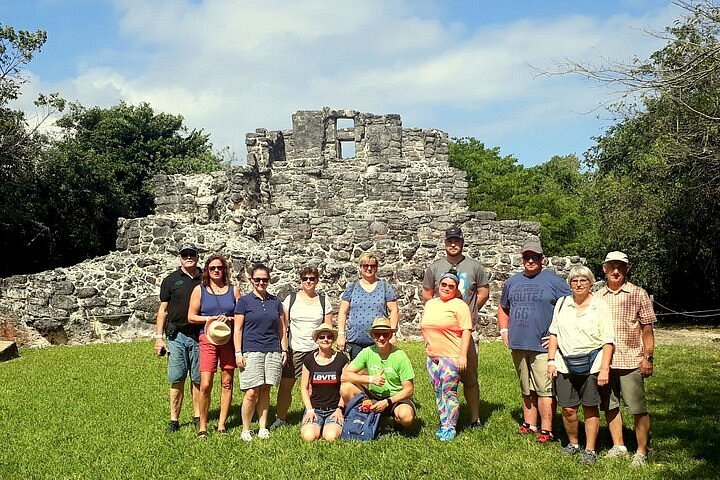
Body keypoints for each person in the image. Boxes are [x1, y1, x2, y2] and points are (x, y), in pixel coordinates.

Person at [497, 239, 572, 442]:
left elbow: (571, 307)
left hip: (542, 346)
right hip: (519, 343)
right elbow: (503, 307)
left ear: (542, 259)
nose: (530, 260)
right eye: (526, 257)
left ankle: (546, 429)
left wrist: (559, 335)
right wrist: (504, 329)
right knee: (526, 387)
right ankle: (529, 424)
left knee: (545, 389)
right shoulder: (512, 282)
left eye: (535, 257)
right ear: (522, 259)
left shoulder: (554, 282)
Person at [422, 226, 489, 429]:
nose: (453, 244)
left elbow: (484, 292)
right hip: (441, 334)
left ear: (462, 243)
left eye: (457, 241)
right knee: (442, 379)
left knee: (469, 375)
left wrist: (465, 313)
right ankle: (447, 417)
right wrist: (443, 312)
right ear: (445, 243)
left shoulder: (474, 267)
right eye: (450, 241)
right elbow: (427, 294)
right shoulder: (434, 268)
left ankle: (474, 417)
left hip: (465, 330)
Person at [547, 265, 615, 464]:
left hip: (592, 363)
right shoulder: (562, 304)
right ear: (570, 284)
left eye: (583, 280)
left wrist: (604, 368)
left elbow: (608, 340)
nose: (578, 284)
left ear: (591, 283)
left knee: (590, 407)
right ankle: (573, 444)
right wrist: (551, 361)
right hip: (565, 364)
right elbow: (554, 334)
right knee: (568, 409)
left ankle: (590, 449)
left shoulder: (600, 306)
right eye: (574, 281)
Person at [599, 251, 656, 467]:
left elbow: (647, 329)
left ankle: (641, 450)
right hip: (605, 362)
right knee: (610, 404)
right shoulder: (597, 296)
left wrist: (648, 357)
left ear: (627, 269)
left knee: (637, 407)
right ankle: (619, 445)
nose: (616, 271)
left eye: (620, 267)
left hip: (631, 359)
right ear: (604, 268)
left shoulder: (638, 293)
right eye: (612, 266)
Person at [270, 266, 333, 430]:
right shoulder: (291, 300)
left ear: (317, 281)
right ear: (301, 281)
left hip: (315, 351)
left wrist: (326, 350)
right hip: (294, 348)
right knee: (286, 385)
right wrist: (284, 349)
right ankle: (281, 418)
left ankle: (311, 415)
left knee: (314, 386)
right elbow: (283, 326)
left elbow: (327, 328)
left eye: (312, 279)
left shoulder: (324, 302)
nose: (308, 282)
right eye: (305, 279)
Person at [188, 254, 241, 438]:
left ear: (224, 270)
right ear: (207, 271)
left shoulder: (233, 290)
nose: (216, 271)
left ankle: (222, 424)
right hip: (207, 339)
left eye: (219, 268)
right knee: (205, 384)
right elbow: (191, 316)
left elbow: (241, 316)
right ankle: (203, 426)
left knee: (227, 382)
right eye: (212, 268)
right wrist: (208, 319)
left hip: (227, 340)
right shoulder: (199, 290)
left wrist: (230, 318)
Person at [233, 263, 288, 442]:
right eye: (257, 279)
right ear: (251, 280)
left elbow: (282, 329)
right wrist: (238, 352)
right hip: (251, 350)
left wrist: (284, 349)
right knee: (251, 391)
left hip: (272, 350)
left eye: (264, 279)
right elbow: (238, 330)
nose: (261, 282)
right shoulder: (244, 302)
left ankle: (263, 427)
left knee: (265, 390)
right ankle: (246, 429)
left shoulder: (275, 302)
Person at [153, 242, 203, 433]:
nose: (188, 257)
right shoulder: (171, 280)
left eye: (192, 254)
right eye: (185, 254)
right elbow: (163, 311)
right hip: (177, 336)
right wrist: (159, 338)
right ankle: (174, 419)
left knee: (198, 379)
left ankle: (198, 416)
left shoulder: (204, 279)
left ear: (197, 257)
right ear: (179, 257)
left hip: (199, 335)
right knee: (177, 378)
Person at [340, 317, 416, 432]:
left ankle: (394, 421)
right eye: (377, 334)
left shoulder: (400, 356)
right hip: (373, 397)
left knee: (406, 417)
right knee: (346, 387)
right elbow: (345, 376)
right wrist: (370, 379)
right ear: (372, 336)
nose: (381, 338)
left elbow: (409, 390)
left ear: (390, 335)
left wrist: (387, 402)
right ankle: (360, 417)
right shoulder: (368, 352)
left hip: (395, 399)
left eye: (385, 334)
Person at [421, 271, 473, 441]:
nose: (447, 288)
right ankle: (444, 423)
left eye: (451, 286)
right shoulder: (430, 304)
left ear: (456, 289)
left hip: (451, 356)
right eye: (444, 285)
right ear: (438, 285)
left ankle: (450, 427)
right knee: (438, 392)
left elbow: (466, 331)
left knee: (449, 392)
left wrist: (462, 356)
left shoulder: (460, 305)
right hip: (432, 357)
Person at [337, 252, 399, 360]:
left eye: (372, 266)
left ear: (376, 268)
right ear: (360, 268)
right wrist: (341, 334)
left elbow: (394, 310)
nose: (369, 268)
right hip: (356, 341)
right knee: (358, 373)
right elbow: (342, 312)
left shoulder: (384, 287)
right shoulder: (352, 287)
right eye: (365, 265)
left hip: (380, 339)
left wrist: (392, 334)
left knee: (378, 372)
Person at [299, 324, 349, 442]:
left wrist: (339, 409)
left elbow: (346, 386)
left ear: (333, 340)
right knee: (308, 437)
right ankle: (317, 426)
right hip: (315, 408)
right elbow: (304, 388)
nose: (325, 339)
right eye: (322, 337)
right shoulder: (309, 360)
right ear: (317, 340)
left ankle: (327, 427)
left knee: (331, 437)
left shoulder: (341, 359)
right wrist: (309, 409)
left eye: (329, 337)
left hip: (334, 409)